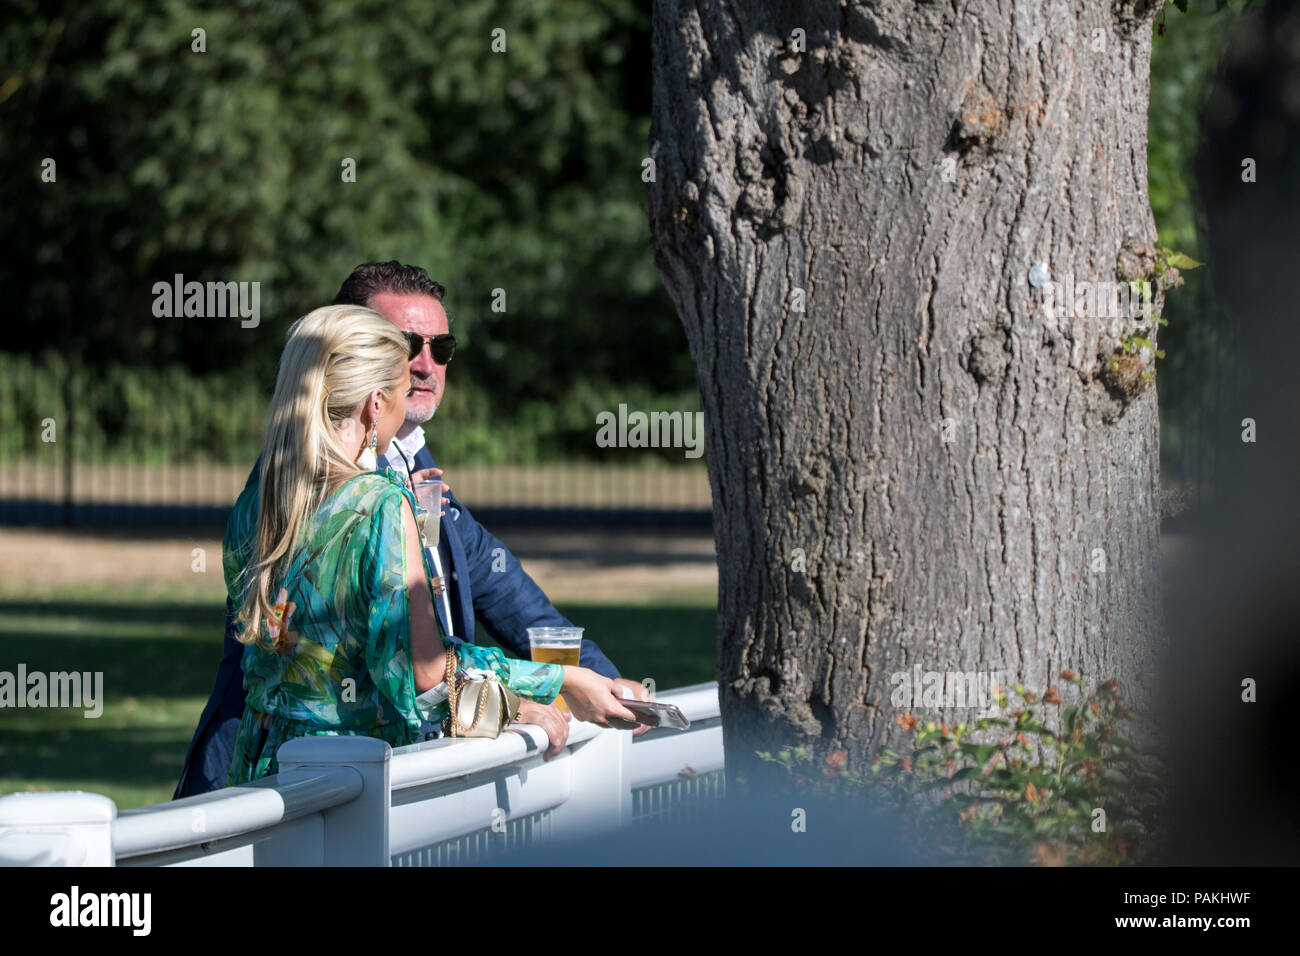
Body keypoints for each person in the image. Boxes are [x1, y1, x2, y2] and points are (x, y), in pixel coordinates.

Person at [175, 263, 650, 798]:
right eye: (404, 351)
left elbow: (502, 596)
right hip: (352, 791)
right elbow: (419, 674)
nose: (423, 367)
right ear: (376, 399)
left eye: (441, 349)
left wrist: (602, 682)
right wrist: (556, 683)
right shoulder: (382, 501)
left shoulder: (258, 501)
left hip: (264, 785)